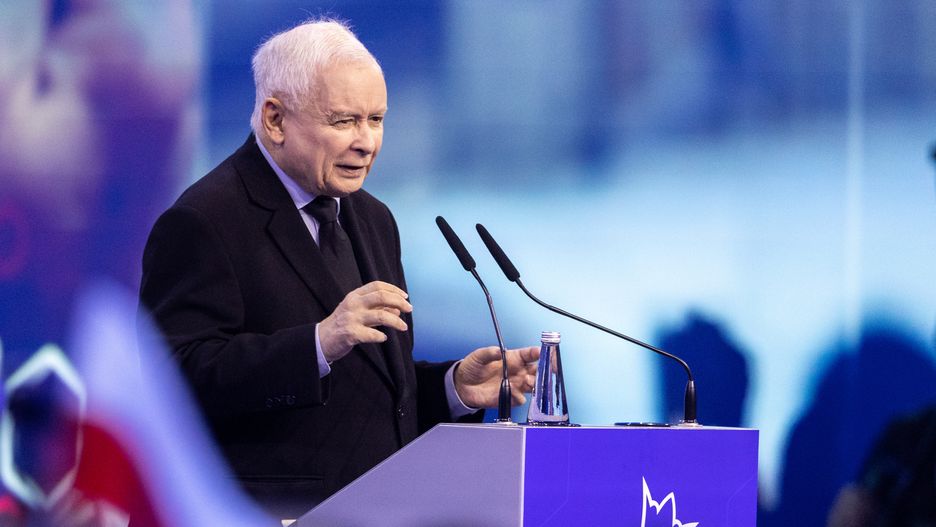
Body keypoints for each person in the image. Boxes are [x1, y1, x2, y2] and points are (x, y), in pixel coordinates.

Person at [139, 18, 538, 519]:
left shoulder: (372, 218)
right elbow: (169, 383)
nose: (367, 141)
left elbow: (368, 396)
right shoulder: (203, 220)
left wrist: (452, 388)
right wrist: (318, 343)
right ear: (275, 120)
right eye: (344, 121)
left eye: (376, 119)